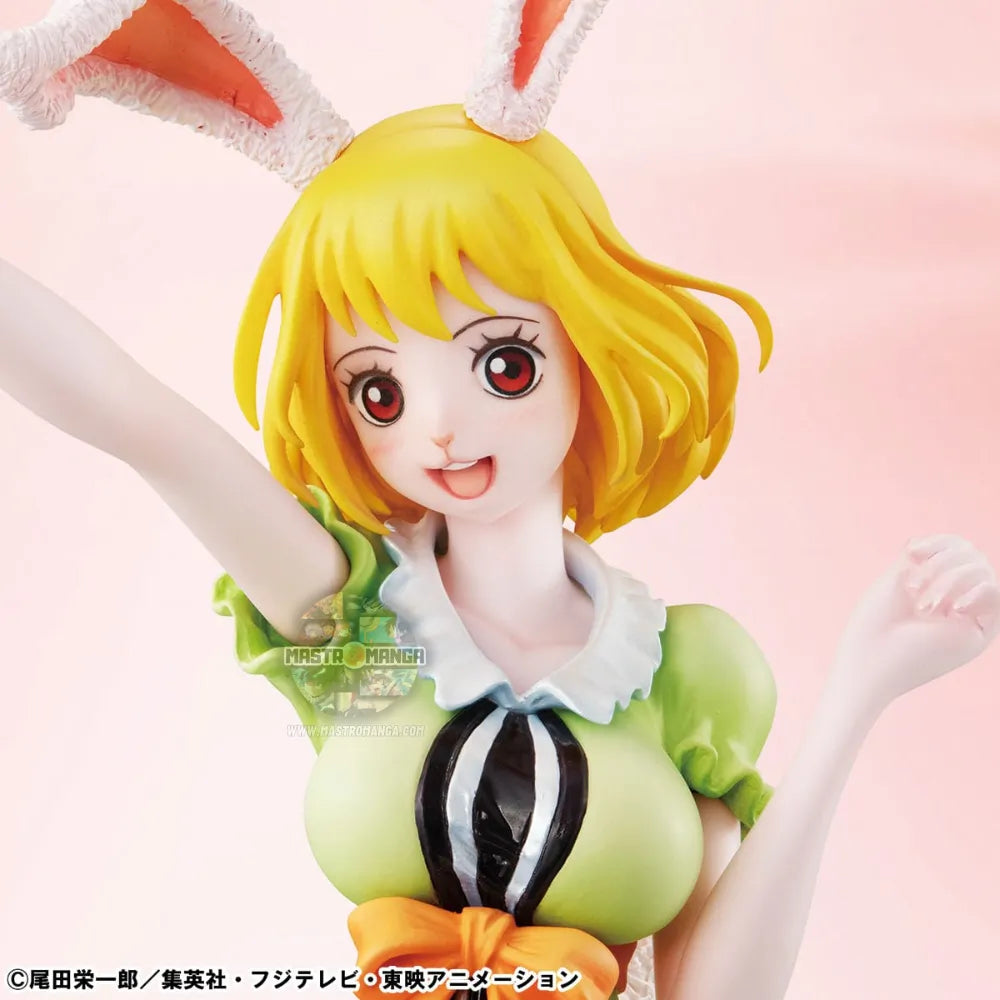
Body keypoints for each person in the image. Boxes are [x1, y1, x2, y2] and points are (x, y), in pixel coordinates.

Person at [2, 3, 997, 1000]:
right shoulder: (360, 629)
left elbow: (713, 995)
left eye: (503, 364)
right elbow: (143, 423)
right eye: (379, 391)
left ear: (589, 341)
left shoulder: (688, 673)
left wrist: (858, 692)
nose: (437, 429)